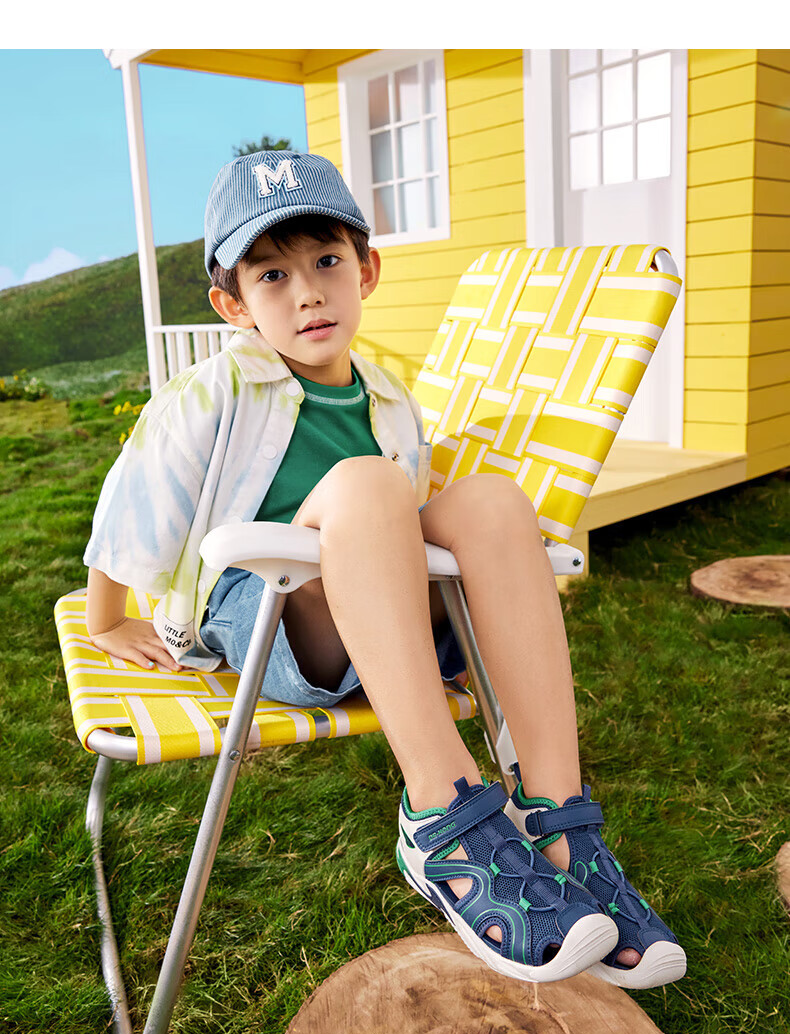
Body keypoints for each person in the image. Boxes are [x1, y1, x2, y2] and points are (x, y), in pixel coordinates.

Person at [84, 150, 685, 988]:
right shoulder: (211, 391)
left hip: (380, 620)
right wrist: (107, 617)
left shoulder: (391, 397)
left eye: (327, 260)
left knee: (492, 500)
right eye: (272, 275)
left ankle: (554, 819)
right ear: (233, 304)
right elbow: (133, 500)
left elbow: (408, 533)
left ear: (366, 269)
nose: (308, 292)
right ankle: (441, 814)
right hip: (273, 622)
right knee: (369, 485)